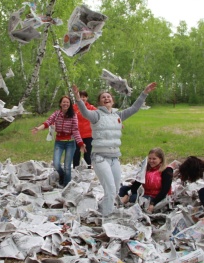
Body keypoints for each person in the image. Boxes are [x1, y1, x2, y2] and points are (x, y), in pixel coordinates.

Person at [72, 82, 157, 217]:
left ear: (112, 100)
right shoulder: (96, 115)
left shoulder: (118, 115)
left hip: (114, 158)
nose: (106, 98)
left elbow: (134, 108)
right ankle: (107, 217)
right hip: (100, 158)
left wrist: (144, 93)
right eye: (103, 97)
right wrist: (77, 98)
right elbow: (84, 112)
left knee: (115, 189)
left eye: (108, 97)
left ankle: (103, 208)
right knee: (110, 189)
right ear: (99, 102)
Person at [32, 95, 86, 187]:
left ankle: (66, 186)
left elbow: (75, 130)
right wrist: (38, 128)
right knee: (56, 163)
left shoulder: (73, 115)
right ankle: (62, 174)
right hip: (59, 142)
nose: (65, 104)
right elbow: (48, 122)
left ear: (70, 104)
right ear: (60, 104)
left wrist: (80, 144)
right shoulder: (56, 114)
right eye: (64, 102)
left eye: (67, 102)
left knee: (67, 166)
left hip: (70, 142)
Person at [119, 147, 174, 213]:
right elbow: (137, 183)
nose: (151, 161)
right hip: (146, 194)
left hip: (157, 197)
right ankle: (125, 201)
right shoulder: (146, 168)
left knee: (134, 198)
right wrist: (128, 194)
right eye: (149, 158)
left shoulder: (167, 170)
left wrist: (153, 203)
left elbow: (165, 190)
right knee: (123, 189)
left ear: (161, 159)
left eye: (154, 159)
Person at [73, 90, 97, 169]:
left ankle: (89, 169)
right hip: (77, 134)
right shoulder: (74, 107)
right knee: (76, 152)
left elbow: (101, 114)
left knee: (87, 153)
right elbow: (65, 116)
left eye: (84, 97)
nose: (82, 98)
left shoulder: (91, 107)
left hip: (88, 134)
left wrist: (114, 120)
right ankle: (75, 168)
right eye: (81, 97)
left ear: (87, 98)